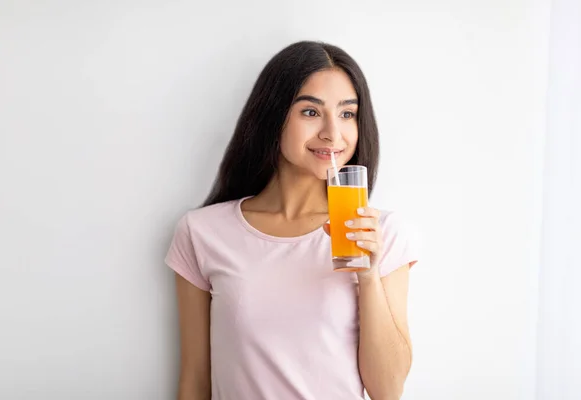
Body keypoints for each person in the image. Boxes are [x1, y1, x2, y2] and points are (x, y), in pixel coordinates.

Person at [165, 40, 420, 400]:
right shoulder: (201, 232)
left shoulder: (382, 233)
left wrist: (368, 275)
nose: (333, 133)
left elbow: (388, 390)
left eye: (347, 114)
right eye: (311, 112)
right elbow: (194, 380)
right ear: (273, 117)